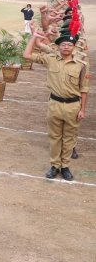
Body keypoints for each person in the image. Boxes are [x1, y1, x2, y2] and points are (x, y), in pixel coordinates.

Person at [23, 25, 88, 181]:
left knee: (69, 138)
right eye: (63, 44)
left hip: (73, 106)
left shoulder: (81, 65)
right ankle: (54, 166)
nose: (66, 47)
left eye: (69, 45)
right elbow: (27, 55)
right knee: (54, 137)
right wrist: (34, 37)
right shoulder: (50, 59)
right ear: (58, 46)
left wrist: (82, 109)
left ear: (74, 47)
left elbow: (84, 89)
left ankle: (65, 166)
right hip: (55, 104)